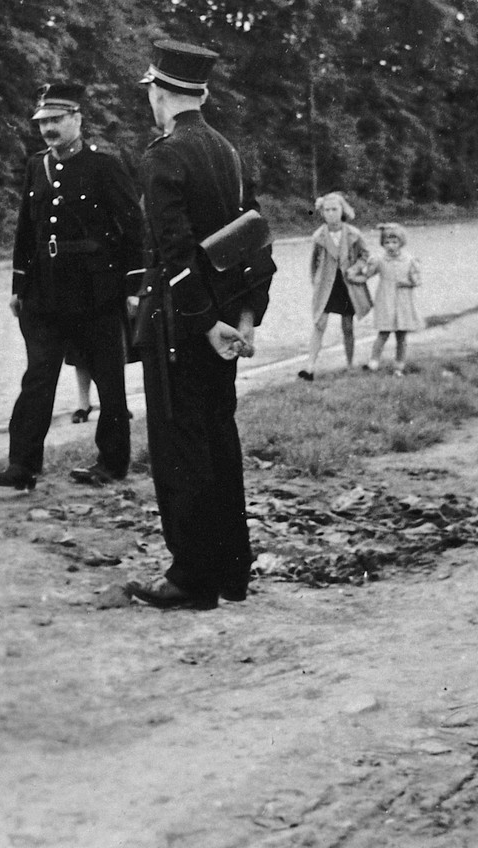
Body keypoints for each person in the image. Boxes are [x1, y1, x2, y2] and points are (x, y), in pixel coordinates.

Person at [126, 39, 275, 611]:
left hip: (182, 330)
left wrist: (206, 322)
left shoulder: (164, 155)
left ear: (160, 96)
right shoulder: (227, 152)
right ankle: (232, 571)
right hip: (223, 329)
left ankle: (191, 577)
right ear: (203, 94)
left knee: (180, 449)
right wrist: (243, 318)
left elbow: (175, 251)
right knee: (219, 440)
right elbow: (255, 241)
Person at [0, 82, 144, 490]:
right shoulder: (37, 166)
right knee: (38, 377)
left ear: (77, 119)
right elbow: (26, 229)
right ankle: (22, 465)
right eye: (43, 122)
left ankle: (112, 461)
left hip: (96, 291)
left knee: (109, 380)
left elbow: (133, 229)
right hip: (45, 292)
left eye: (57, 120)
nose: (48, 129)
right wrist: (18, 285)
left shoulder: (105, 166)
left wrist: (132, 286)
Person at [298, 192, 371, 381]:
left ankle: (349, 364)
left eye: (334, 209)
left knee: (347, 326)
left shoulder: (354, 234)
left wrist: (356, 268)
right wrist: (315, 282)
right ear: (322, 213)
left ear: (343, 210)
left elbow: (365, 255)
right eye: (327, 210)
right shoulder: (319, 236)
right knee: (319, 323)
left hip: (346, 284)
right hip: (326, 286)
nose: (331, 214)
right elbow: (313, 263)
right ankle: (310, 367)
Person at [361, 222, 422, 375]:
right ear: (382, 243)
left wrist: (407, 283)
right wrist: (363, 267)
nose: (391, 246)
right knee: (383, 332)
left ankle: (399, 365)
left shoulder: (408, 260)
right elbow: (368, 273)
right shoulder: (380, 260)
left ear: (401, 242)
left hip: (403, 300)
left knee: (401, 335)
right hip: (386, 299)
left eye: (394, 242)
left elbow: (417, 281)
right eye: (387, 242)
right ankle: (373, 362)